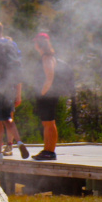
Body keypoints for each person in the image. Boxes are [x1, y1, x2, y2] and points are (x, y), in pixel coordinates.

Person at [0, 21, 29, 160]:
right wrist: (18, 92)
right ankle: (19, 141)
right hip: (10, 86)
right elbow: (18, 67)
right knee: (8, 118)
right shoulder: (12, 45)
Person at [32, 32, 60, 161]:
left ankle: (50, 150)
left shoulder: (47, 57)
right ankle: (47, 149)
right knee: (47, 123)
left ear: (39, 43)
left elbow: (49, 77)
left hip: (48, 94)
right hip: (49, 93)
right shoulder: (47, 56)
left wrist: (42, 93)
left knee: (49, 123)